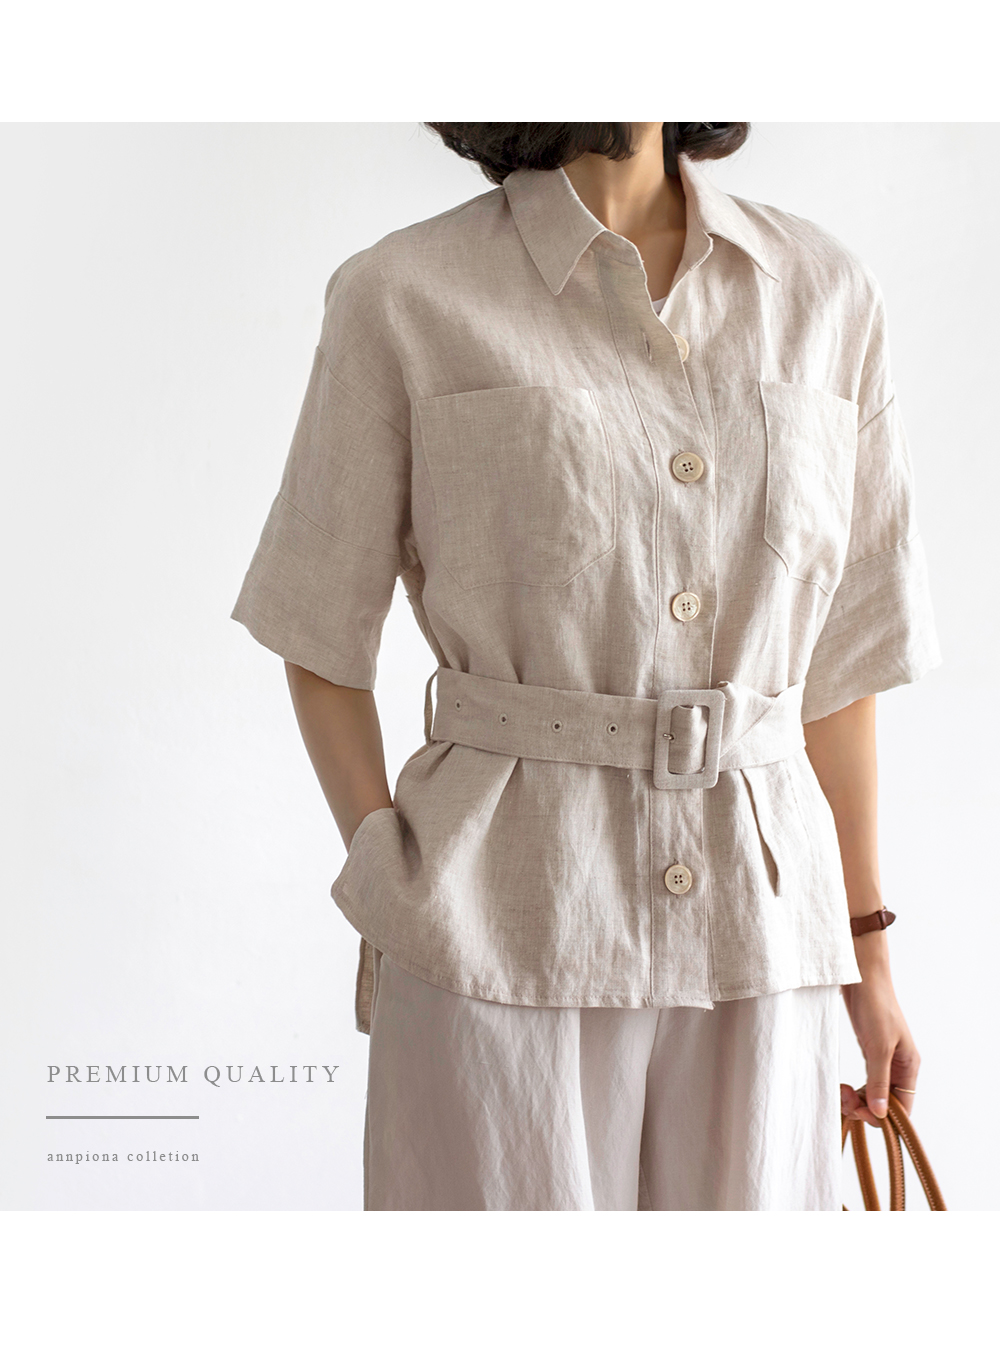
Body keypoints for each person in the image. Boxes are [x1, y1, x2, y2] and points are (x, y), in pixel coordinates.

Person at [230, 122, 941, 1210]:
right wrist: (388, 880)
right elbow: (316, 627)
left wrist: (869, 959)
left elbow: (841, 671)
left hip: (760, 934)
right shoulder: (403, 295)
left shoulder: (824, 293)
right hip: (495, 925)